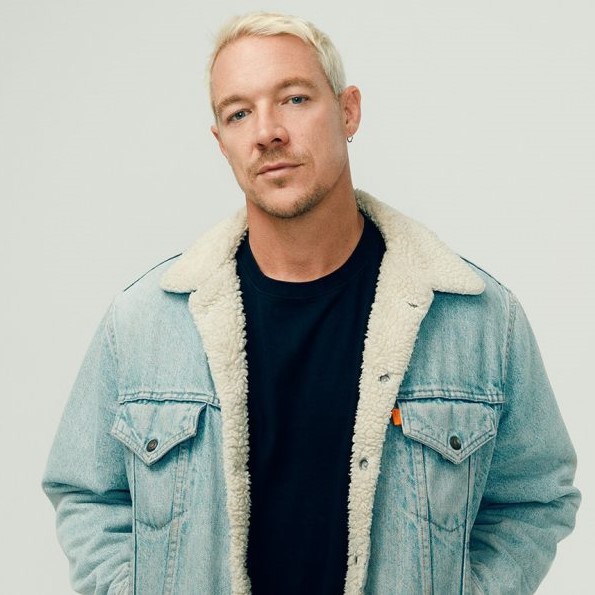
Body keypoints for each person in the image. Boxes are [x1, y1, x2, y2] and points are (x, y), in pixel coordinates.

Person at [43, 11, 580, 595]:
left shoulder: (476, 319)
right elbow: (86, 493)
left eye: (294, 99)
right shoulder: (144, 323)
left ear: (348, 111)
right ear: (221, 142)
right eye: (238, 113)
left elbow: (534, 498)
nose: (267, 132)